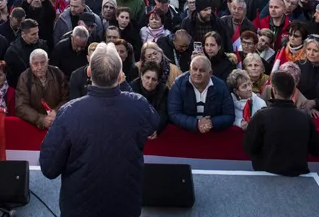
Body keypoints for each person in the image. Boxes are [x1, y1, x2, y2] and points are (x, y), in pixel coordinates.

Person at [40, 43, 159, 217]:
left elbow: (49, 167)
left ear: (89, 72)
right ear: (120, 75)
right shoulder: (138, 104)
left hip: (79, 209)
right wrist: (123, 85)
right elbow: (153, 121)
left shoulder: (69, 112)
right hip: (124, 207)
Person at [242, 70, 319, 176]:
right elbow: (316, 150)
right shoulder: (304, 117)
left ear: (274, 90)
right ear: (293, 91)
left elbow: (250, 148)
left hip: (267, 175)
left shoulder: (261, 116)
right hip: (296, 175)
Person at [166, 55, 234, 133]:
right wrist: (196, 124)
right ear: (189, 70)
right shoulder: (179, 84)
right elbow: (173, 113)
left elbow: (229, 115)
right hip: (186, 133)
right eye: (194, 69)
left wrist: (211, 122)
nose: (197, 73)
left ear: (210, 73)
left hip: (212, 133)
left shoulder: (221, 86)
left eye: (202, 70)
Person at [14, 49, 69, 130]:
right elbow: (21, 106)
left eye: (43, 63)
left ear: (48, 62)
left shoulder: (58, 74)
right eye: (35, 64)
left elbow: (67, 99)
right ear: (30, 64)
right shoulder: (24, 77)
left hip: (57, 123)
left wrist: (56, 112)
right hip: (34, 126)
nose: (40, 67)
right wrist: (40, 119)